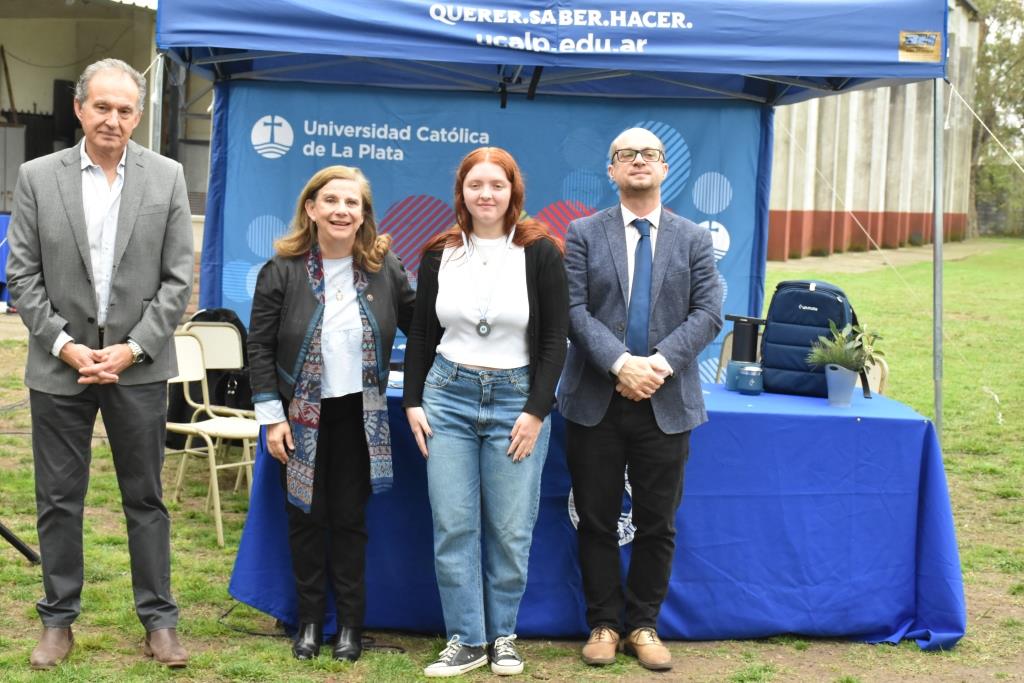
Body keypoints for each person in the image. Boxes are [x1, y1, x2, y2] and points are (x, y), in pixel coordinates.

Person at [5, 58, 194, 669]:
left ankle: (159, 622)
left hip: (137, 367)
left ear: (138, 116)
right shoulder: (37, 177)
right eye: (103, 106)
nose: (113, 118)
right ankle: (58, 621)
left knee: (146, 498)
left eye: (125, 109)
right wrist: (65, 343)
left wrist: (133, 346)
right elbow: (22, 276)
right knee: (59, 499)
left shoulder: (167, 177)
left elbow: (176, 280)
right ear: (80, 109)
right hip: (60, 367)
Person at [557, 127, 723, 671]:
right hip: (595, 400)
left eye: (648, 154)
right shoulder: (582, 233)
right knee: (597, 520)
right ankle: (604, 623)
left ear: (664, 167)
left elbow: (708, 314)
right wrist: (620, 363)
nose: (638, 161)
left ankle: (644, 625)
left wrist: (657, 364)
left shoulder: (694, 238)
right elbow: (574, 311)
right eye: (626, 155)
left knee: (658, 522)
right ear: (611, 170)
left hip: (666, 400)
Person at [403, 147, 568, 677]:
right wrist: (411, 400)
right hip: (447, 395)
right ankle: (467, 639)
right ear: (462, 192)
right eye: (476, 185)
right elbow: (424, 334)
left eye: (497, 184)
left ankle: (504, 637)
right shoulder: (439, 252)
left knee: (511, 528)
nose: (486, 194)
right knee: (453, 524)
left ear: (513, 190)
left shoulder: (541, 251)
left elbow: (555, 341)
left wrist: (537, 409)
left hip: (517, 400)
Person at [248, 165, 415, 662]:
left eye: (353, 203)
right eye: (332, 201)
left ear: (364, 214)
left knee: (348, 521)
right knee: (304, 519)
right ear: (311, 208)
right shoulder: (281, 269)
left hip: (358, 418)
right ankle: (307, 624)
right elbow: (258, 346)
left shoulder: (386, 270)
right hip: (298, 418)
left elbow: (424, 326)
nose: (342, 210)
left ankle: (350, 628)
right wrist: (271, 417)